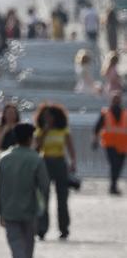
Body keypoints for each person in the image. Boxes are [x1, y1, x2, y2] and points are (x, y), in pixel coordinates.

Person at [0, 122, 49, 258]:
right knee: (28, 249)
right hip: (29, 210)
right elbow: (45, 186)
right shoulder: (36, 158)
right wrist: (43, 207)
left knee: (16, 248)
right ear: (29, 138)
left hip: (9, 210)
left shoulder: (4, 158)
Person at [34, 103, 76, 240]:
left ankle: (64, 228)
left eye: (50, 116)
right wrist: (45, 131)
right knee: (44, 197)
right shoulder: (40, 131)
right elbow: (36, 147)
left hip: (60, 162)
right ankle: (42, 228)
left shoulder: (63, 130)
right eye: (46, 116)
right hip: (45, 162)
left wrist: (73, 162)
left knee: (62, 198)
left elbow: (70, 147)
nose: (48, 119)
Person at [94, 92, 127, 194]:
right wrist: (95, 140)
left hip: (123, 146)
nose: (116, 102)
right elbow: (97, 128)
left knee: (119, 166)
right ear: (111, 101)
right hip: (110, 144)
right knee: (114, 164)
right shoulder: (105, 113)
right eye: (114, 99)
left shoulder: (125, 114)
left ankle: (114, 184)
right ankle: (113, 186)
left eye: (118, 99)